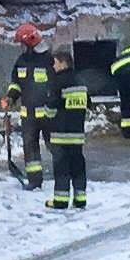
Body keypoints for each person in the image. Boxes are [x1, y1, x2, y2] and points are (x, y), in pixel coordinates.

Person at [1, 23, 54, 191]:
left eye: (23, 44)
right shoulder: (21, 61)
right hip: (28, 115)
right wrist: (10, 97)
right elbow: (16, 84)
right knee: (30, 149)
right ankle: (34, 180)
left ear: (31, 42)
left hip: (47, 114)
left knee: (55, 146)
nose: (21, 47)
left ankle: (64, 174)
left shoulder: (49, 60)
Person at [45, 50, 89, 210]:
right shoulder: (81, 81)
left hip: (61, 134)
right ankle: (80, 198)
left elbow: (50, 109)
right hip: (77, 134)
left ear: (63, 63)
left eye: (55, 62)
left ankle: (61, 200)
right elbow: (87, 104)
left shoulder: (58, 81)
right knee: (78, 166)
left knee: (62, 168)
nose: (53, 66)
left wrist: (46, 116)